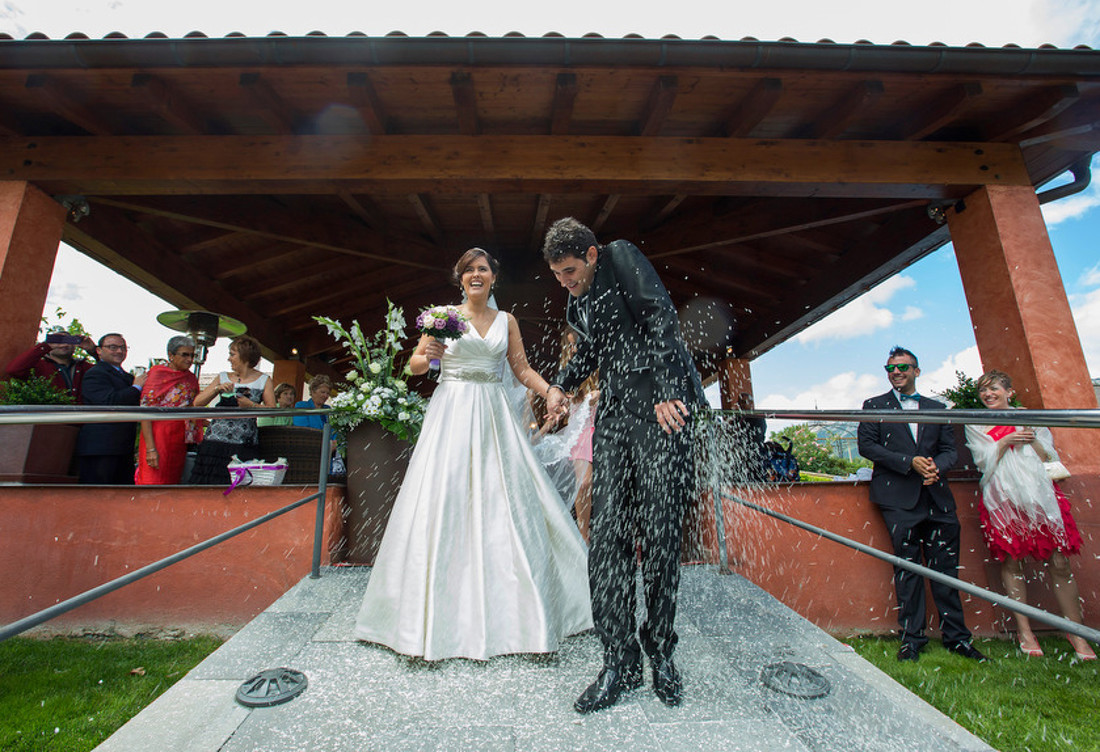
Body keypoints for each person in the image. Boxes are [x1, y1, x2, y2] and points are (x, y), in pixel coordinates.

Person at [354, 248, 591, 661]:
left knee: (506, 502)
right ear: (460, 278)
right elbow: (413, 366)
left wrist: (551, 391)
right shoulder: (443, 316)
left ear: (493, 277)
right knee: (445, 498)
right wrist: (426, 357)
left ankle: (523, 611)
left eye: (482, 269)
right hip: (451, 412)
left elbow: (521, 370)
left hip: (494, 416)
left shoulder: (507, 321)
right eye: (469, 270)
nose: (476, 275)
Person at [542, 217, 706, 713]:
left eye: (570, 271)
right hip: (613, 416)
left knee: (659, 535)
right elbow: (592, 348)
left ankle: (662, 653)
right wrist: (561, 386)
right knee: (607, 535)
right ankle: (619, 660)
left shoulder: (620, 256)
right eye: (557, 275)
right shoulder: (578, 300)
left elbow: (660, 316)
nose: (565, 282)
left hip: (662, 411)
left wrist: (667, 391)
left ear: (590, 255)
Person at [857, 346, 987, 663]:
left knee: (946, 570)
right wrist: (908, 462)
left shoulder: (936, 408)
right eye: (890, 368)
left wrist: (935, 468)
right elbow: (867, 446)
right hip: (898, 499)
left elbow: (949, 450)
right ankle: (912, 638)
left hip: (937, 497)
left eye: (903, 367)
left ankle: (957, 638)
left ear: (917, 371)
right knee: (908, 568)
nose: (896, 372)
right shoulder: (873, 405)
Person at [965, 370, 1095, 660]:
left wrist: (1031, 437)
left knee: (1059, 561)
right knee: (1012, 561)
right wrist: (1005, 440)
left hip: (1039, 496)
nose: (988, 395)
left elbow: (1048, 456)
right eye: (983, 390)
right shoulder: (976, 422)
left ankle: (1076, 631)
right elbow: (982, 461)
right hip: (1002, 497)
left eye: (994, 389)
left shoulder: (1029, 415)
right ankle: (1025, 632)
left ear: (1009, 392)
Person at [189, 335, 275, 485]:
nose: (229, 359)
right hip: (214, 442)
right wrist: (217, 389)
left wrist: (251, 405)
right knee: (206, 485)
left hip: (243, 444)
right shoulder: (222, 377)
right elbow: (197, 403)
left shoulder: (264, 380)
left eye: (232, 354)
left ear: (244, 356)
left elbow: (272, 411)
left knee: (238, 486)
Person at [74, 333, 147, 484]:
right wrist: (136, 388)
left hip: (123, 447)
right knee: (98, 493)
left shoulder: (127, 377)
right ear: (99, 351)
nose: (119, 351)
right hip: (100, 448)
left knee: (121, 493)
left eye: (123, 348)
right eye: (113, 347)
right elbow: (108, 402)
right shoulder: (95, 373)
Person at [135, 336, 201, 485]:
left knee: (173, 481)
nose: (189, 359)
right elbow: (145, 411)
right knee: (153, 480)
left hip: (179, 437)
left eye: (192, 355)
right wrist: (151, 449)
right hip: (158, 435)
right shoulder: (157, 374)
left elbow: (193, 407)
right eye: (185, 355)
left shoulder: (190, 378)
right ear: (171, 355)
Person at [5, 330, 98, 402]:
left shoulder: (84, 367)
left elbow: (106, 371)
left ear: (75, 345)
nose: (64, 344)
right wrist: (44, 346)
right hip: (48, 417)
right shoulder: (38, 366)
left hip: (81, 417)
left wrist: (94, 351)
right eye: (58, 341)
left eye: (69, 340)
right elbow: (13, 370)